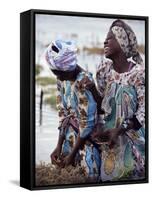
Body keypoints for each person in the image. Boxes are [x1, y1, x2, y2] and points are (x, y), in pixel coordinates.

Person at [84, 19, 145, 181]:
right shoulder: (104, 71)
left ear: (122, 42)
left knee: (131, 177)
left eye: (110, 38)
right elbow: (104, 106)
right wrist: (92, 90)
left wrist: (119, 129)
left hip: (133, 139)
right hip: (110, 138)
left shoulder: (139, 74)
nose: (105, 41)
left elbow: (143, 113)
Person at [45, 40, 101, 180]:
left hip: (86, 142)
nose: (56, 77)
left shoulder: (84, 82)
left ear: (66, 69)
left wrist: (72, 154)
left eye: (57, 73)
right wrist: (58, 146)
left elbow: (87, 123)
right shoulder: (62, 79)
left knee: (87, 178)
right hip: (70, 136)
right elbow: (63, 113)